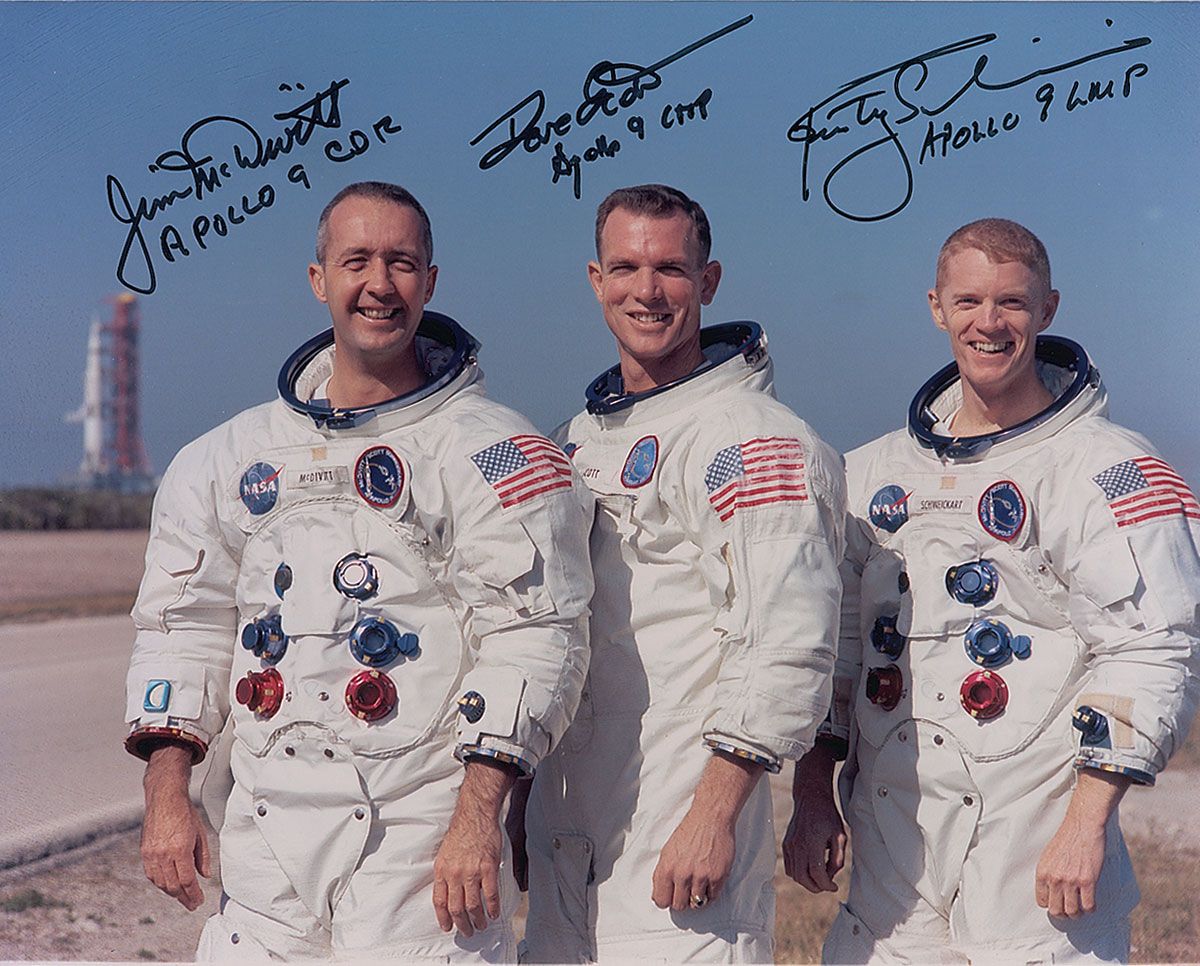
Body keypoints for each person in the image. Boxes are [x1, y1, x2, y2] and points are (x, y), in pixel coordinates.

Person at [123, 181, 594, 961]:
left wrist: (480, 816)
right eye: (357, 261)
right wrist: (166, 791)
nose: (380, 284)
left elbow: (537, 637)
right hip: (266, 836)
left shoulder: (495, 452)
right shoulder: (226, 460)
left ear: (430, 282)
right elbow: (182, 626)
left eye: (402, 263)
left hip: (422, 840)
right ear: (319, 280)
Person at [783, 218, 1200, 963]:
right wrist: (813, 791)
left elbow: (1153, 649)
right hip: (893, 858)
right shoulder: (872, 475)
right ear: (937, 307)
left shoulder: (1103, 469)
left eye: (1012, 301)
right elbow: (835, 648)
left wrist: (1086, 825)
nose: (989, 322)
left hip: (1035, 849)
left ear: (1048, 309)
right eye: (969, 301)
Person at [518, 183, 846, 962]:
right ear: (596, 280)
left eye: (670, 268)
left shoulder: (753, 441)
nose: (647, 290)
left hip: (681, 830)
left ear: (708, 281)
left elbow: (785, 642)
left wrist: (713, 817)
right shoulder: (574, 441)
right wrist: (522, 800)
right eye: (625, 268)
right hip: (571, 839)